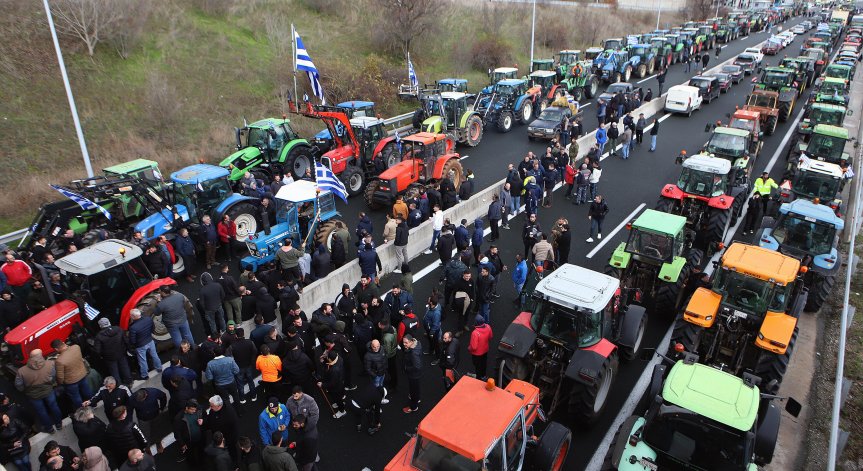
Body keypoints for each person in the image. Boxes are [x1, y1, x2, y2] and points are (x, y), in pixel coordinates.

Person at [14, 348, 63, 432]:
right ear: (41, 355)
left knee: (41, 411)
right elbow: (53, 377)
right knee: (54, 406)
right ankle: (59, 424)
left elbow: (18, 385)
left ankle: (49, 428)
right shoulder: (50, 363)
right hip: (48, 391)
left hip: (33, 395)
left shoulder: (21, 371)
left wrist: (25, 390)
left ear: (30, 357)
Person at [52, 339, 93, 407]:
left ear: (56, 349)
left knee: (76, 397)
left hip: (71, 382)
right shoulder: (76, 347)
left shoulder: (59, 360)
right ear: (63, 343)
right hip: (82, 375)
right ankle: (93, 404)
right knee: (87, 391)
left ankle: (82, 410)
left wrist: (60, 383)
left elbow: (60, 377)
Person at [203, 396, 240, 467]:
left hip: (228, 438)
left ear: (219, 406)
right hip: (219, 436)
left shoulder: (229, 414)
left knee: (232, 450)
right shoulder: (214, 410)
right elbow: (211, 419)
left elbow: (234, 429)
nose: (210, 407)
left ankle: (235, 464)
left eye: (212, 406)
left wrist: (229, 441)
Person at [128, 388, 167, 454]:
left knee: (157, 431)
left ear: (145, 395)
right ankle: (147, 448)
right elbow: (129, 410)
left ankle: (158, 443)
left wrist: (162, 408)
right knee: (145, 435)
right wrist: (130, 422)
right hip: (143, 420)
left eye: (142, 400)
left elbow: (163, 396)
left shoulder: (153, 392)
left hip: (155, 416)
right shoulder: (132, 398)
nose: (141, 402)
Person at [126, 309, 162, 381]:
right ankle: (159, 368)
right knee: (154, 355)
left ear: (133, 316)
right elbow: (153, 329)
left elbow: (132, 341)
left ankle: (145, 375)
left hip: (140, 345)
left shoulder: (133, 327)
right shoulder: (148, 319)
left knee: (143, 361)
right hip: (150, 340)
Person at [318, 350, 347, 418]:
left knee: (338, 398)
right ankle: (340, 403)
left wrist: (322, 385)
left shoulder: (334, 370)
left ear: (330, 359)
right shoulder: (339, 358)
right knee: (339, 397)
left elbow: (332, 383)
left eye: (327, 357)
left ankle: (342, 411)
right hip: (340, 383)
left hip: (336, 387)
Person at [174, 399, 205, 464]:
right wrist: (182, 444)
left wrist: (203, 421)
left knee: (201, 452)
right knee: (190, 455)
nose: (194, 411)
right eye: (192, 409)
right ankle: (192, 464)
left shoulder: (199, 410)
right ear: (186, 408)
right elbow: (177, 433)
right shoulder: (179, 418)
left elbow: (206, 418)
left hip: (200, 438)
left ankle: (202, 461)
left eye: (195, 409)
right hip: (189, 442)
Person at [402, 334, 423, 413]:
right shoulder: (417, 343)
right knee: (416, 388)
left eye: (406, 343)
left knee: (413, 389)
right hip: (416, 374)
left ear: (411, 342)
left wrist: (407, 368)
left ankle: (413, 407)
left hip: (414, 375)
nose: (404, 344)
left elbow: (417, 366)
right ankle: (418, 398)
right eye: (403, 342)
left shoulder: (413, 353)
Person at [468, 315, 493, 380]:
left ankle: (478, 378)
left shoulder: (475, 333)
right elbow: (490, 337)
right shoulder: (488, 327)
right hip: (485, 350)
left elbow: (474, 347)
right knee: (484, 364)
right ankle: (483, 376)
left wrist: (469, 348)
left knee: (477, 366)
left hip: (477, 354)